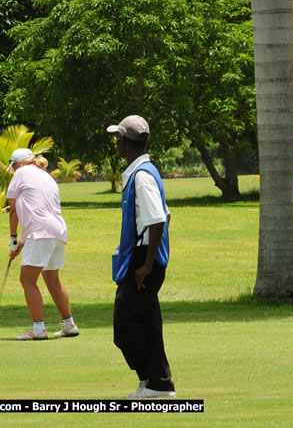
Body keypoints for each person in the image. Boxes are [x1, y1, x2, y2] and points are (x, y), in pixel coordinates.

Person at [107, 115, 176, 398]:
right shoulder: (143, 172)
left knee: (124, 325)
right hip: (144, 256)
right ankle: (158, 383)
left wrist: (147, 263)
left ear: (124, 141)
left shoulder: (142, 176)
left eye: (117, 138)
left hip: (144, 261)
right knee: (148, 321)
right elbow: (165, 215)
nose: (116, 142)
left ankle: (150, 378)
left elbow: (159, 219)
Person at [6, 148, 79, 340]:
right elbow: (36, 210)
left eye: (13, 166)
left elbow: (14, 211)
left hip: (40, 232)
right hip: (57, 231)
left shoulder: (21, 173)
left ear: (19, 163)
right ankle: (69, 324)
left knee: (27, 280)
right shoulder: (45, 175)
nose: (13, 171)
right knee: (52, 280)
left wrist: (12, 239)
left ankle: (39, 329)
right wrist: (21, 244)